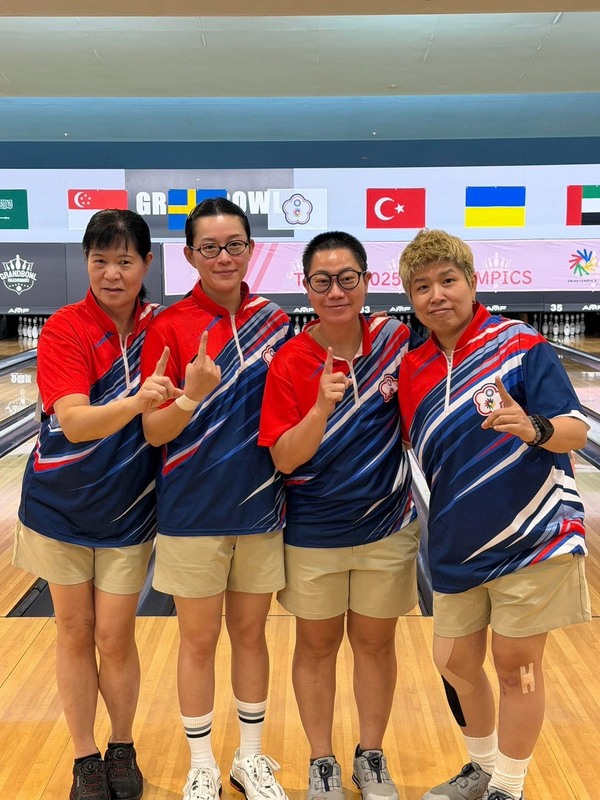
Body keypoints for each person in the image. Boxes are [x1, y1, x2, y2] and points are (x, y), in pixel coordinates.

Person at [397, 229, 592, 800]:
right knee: (454, 660)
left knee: (515, 665)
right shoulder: (413, 369)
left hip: (533, 535)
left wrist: (534, 429)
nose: (437, 295)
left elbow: (577, 430)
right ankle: (482, 767)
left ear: (473, 282)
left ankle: (508, 786)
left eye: (448, 281)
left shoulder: (523, 346)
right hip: (458, 541)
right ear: (410, 298)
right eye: (422, 287)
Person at [14, 209, 180, 800]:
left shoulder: (164, 328)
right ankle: (86, 756)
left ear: (146, 264)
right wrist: (138, 401)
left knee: (114, 634)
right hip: (59, 505)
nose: (112, 273)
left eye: (125, 261)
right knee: (73, 628)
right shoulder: (64, 327)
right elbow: (78, 423)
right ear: (86, 262)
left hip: (128, 508)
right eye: (100, 260)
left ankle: (123, 744)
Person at [258, 231, 421, 800]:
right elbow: (283, 456)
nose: (335, 291)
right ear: (306, 288)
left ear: (366, 282)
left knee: (377, 645)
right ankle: (322, 760)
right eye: (322, 281)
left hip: (386, 529)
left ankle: (371, 756)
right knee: (317, 646)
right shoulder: (290, 360)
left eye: (346, 278)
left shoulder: (395, 339)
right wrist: (321, 408)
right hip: (313, 534)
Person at [140, 197, 290, 800]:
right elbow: (153, 432)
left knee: (252, 637)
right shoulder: (169, 328)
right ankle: (202, 761)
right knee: (198, 641)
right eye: (210, 247)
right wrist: (191, 396)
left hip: (260, 510)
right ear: (190, 256)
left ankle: (249, 759)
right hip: (191, 515)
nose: (223, 257)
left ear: (251, 249)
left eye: (234, 245)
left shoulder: (278, 322)